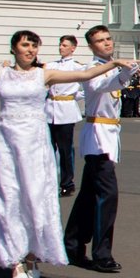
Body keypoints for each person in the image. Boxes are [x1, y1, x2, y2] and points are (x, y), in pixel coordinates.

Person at [0, 31, 135, 278]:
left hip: (35, 142)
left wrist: (116, 63)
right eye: (25, 45)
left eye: (34, 46)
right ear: (14, 48)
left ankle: (34, 255)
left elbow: (85, 75)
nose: (30, 50)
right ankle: (15, 257)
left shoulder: (44, 73)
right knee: (10, 197)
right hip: (7, 143)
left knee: (36, 196)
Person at [61, 25, 135, 273]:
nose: (106, 43)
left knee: (88, 196)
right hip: (97, 137)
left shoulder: (113, 65)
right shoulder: (89, 69)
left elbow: (114, 86)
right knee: (108, 196)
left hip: (108, 135)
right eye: (99, 41)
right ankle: (102, 254)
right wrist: (122, 72)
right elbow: (100, 86)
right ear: (91, 46)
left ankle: (72, 245)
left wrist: (125, 71)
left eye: (108, 39)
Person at [46, 35, 84, 194]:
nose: (61, 47)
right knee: (47, 148)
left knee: (65, 149)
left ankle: (67, 183)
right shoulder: (51, 65)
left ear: (73, 48)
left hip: (66, 110)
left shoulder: (77, 67)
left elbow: (87, 88)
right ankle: (49, 181)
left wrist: (74, 96)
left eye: (64, 45)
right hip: (49, 109)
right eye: (60, 45)